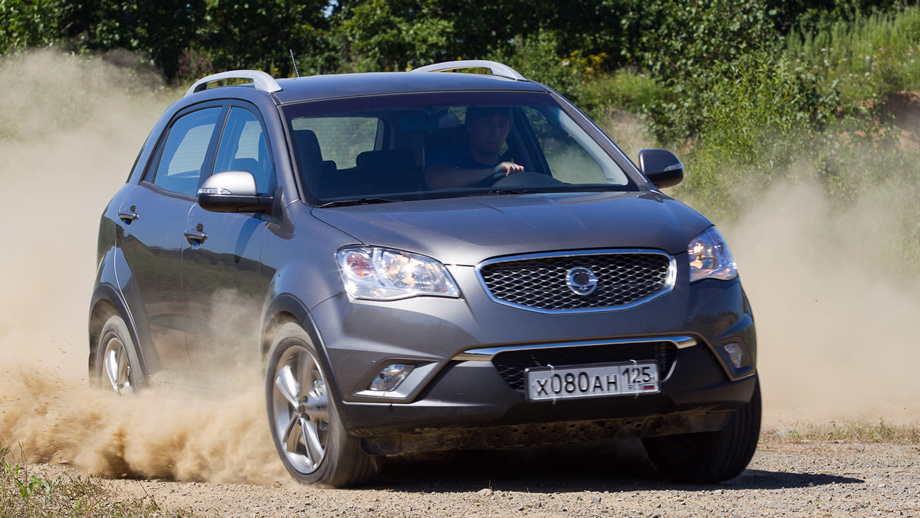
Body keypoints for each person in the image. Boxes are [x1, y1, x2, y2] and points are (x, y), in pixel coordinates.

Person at [425, 106, 525, 189]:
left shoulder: (513, 172)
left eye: (502, 124)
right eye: (487, 123)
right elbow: (434, 180)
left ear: (508, 130)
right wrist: (493, 172)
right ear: (470, 126)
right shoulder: (447, 154)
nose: (495, 132)